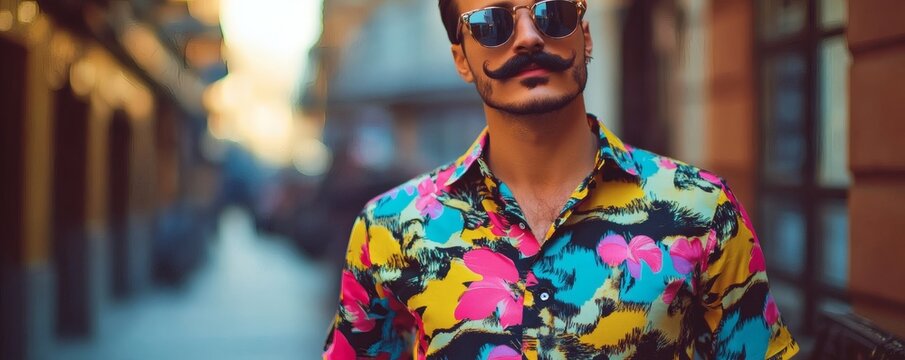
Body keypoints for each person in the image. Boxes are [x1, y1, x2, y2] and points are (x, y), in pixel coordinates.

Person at [323, 0, 798, 358]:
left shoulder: (701, 209)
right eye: (493, 23)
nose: (529, 37)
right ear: (462, 60)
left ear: (585, 37)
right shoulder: (388, 229)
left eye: (551, 13)